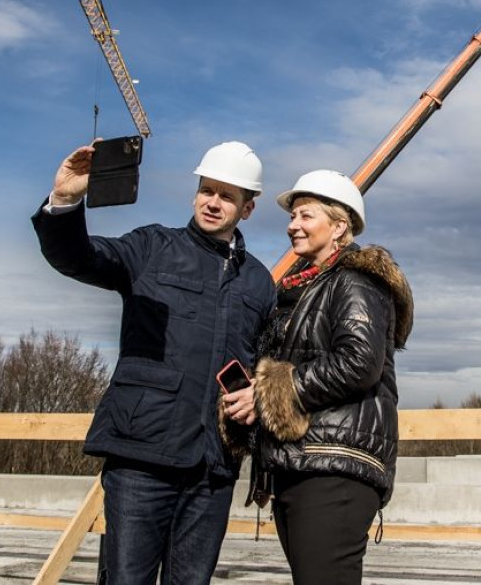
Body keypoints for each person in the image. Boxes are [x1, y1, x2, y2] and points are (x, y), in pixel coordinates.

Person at [32, 140, 276, 585]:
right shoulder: (152, 247)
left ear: (248, 208)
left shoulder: (259, 283)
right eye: (207, 190)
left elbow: (266, 364)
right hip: (142, 458)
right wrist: (66, 200)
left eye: (227, 196)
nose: (213, 203)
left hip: (213, 468)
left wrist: (258, 396)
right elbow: (77, 258)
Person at [223, 170, 412, 585]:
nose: (293, 225)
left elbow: (360, 362)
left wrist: (269, 392)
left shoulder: (356, 281)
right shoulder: (303, 290)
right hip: (305, 464)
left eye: (306, 216)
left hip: (335, 470)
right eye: (293, 217)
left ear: (339, 226)